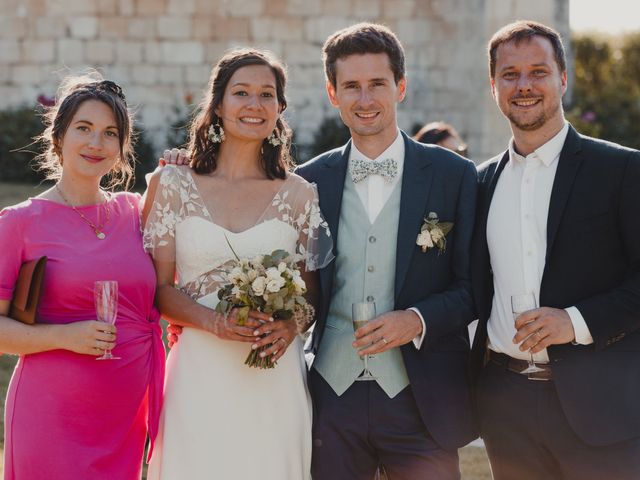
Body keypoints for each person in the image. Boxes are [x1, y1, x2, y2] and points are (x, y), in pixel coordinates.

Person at [295, 23, 477, 479]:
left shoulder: (454, 175)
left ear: (400, 86)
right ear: (333, 94)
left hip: (423, 397)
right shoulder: (307, 181)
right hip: (331, 399)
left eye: (377, 83)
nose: (365, 98)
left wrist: (415, 320)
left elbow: (474, 287)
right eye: (351, 86)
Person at [142, 48, 333, 480]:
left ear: (280, 109)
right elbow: (160, 291)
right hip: (198, 374)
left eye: (267, 95)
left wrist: (289, 326)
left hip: (273, 378)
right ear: (219, 105)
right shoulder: (175, 183)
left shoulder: (300, 194)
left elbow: (313, 295)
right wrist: (214, 323)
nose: (254, 104)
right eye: (241, 92)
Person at [470, 20, 640, 480]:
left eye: (538, 72)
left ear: (563, 78)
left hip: (603, 410)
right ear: (493, 86)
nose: (523, 86)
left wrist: (575, 322)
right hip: (506, 410)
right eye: (509, 75)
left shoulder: (623, 169)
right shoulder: (478, 182)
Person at [0, 74, 164, 479]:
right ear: (58, 137)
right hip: (51, 417)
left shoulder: (135, 213)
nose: (96, 143)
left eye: (110, 133)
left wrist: (174, 172)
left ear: (122, 147)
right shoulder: (19, 222)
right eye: (84, 129)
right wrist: (64, 337)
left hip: (125, 420)